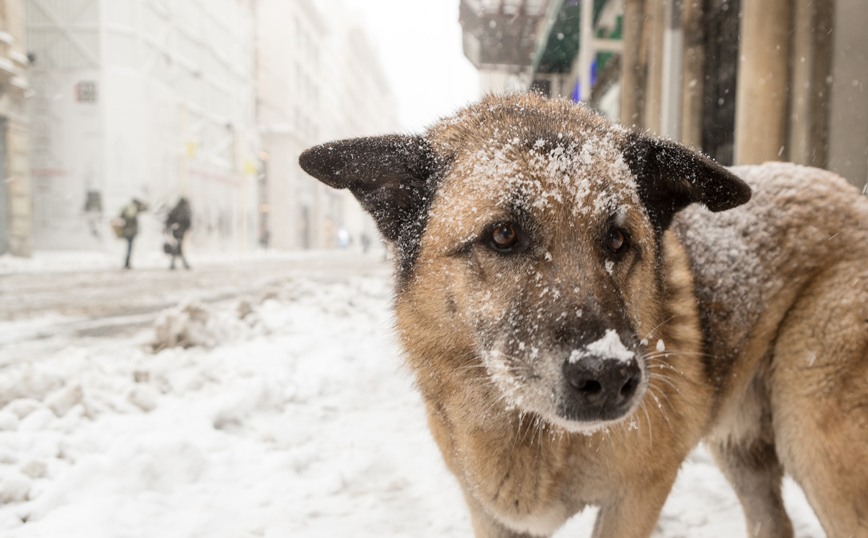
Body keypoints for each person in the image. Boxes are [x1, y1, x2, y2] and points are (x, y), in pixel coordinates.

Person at [119, 198, 147, 269]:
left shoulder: (127, 208)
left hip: (127, 231)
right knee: (130, 247)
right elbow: (145, 209)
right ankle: (127, 263)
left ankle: (127, 263)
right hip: (131, 231)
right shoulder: (134, 209)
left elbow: (121, 216)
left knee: (129, 247)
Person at [165, 197, 192, 270]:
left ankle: (175, 263)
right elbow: (188, 221)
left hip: (175, 231)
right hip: (181, 231)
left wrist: (170, 227)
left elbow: (169, 219)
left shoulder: (175, 209)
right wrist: (186, 228)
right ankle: (183, 263)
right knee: (178, 247)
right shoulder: (184, 210)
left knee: (177, 246)